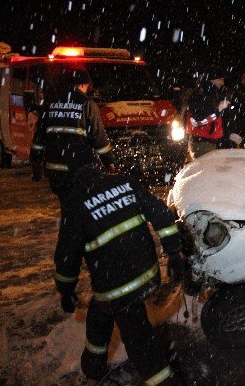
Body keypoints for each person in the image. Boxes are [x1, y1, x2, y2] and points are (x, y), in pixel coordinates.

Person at [54, 164, 185, 385]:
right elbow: (161, 213)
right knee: (99, 312)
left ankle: (164, 381)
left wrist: (65, 291)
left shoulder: (75, 204)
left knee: (140, 341)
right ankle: (93, 368)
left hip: (116, 287)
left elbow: (67, 257)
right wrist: (174, 252)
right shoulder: (122, 183)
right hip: (147, 275)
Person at [30, 68, 115, 201]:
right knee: (81, 204)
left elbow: (39, 137)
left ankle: (67, 220)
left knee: (65, 202)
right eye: (87, 86)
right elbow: (99, 138)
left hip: (55, 170)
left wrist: (35, 162)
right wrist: (109, 162)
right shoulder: (87, 104)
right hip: (79, 169)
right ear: (82, 84)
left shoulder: (51, 102)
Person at [185, 68, 231, 159]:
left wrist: (228, 135)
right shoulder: (203, 94)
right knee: (206, 171)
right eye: (220, 79)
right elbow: (198, 121)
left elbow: (217, 120)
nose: (222, 83)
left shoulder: (211, 93)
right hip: (203, 144)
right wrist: (218, 109)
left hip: (208, 142)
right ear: (212, 80)